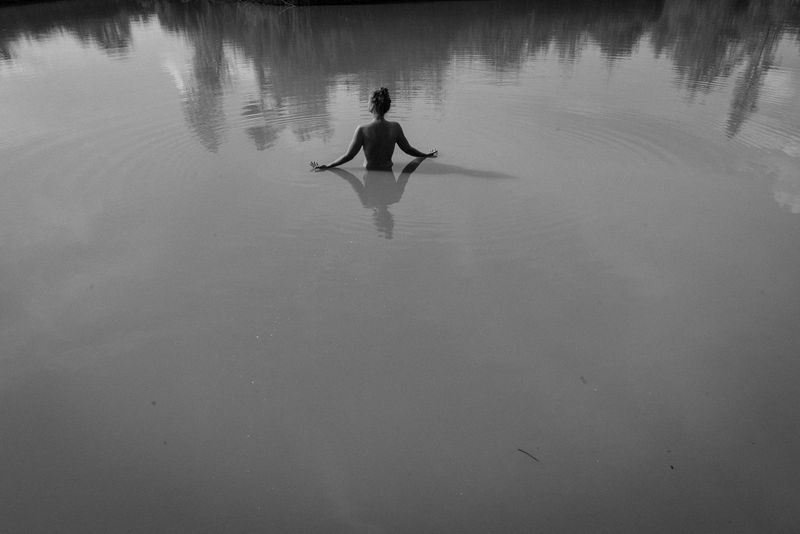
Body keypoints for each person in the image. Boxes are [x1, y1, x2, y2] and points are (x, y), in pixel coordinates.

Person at [310, 87, 437, 171]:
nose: (366, 103)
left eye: (367, 100)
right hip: (388, 171)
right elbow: (408, 150)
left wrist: (328, 166)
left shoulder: (362, 129)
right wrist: (425, 155)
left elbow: (349, 156)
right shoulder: (395, 127)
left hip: (370, 173)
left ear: (373, 105)